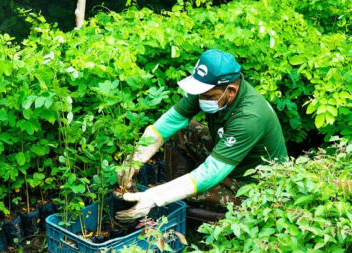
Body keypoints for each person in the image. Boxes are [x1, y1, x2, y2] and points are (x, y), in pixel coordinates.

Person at [115, 49, 288, 222]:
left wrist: (156, 197)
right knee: (183, 131)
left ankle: (224, 218)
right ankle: (176, 189)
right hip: (230, 158)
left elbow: (211, 172)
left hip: (253, 185)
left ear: (232, 91)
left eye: (208, 96)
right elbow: (169, 122)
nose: (201, 99)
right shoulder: (209, 89)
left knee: (179, 196)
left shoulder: (250, 118)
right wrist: (134, 159)